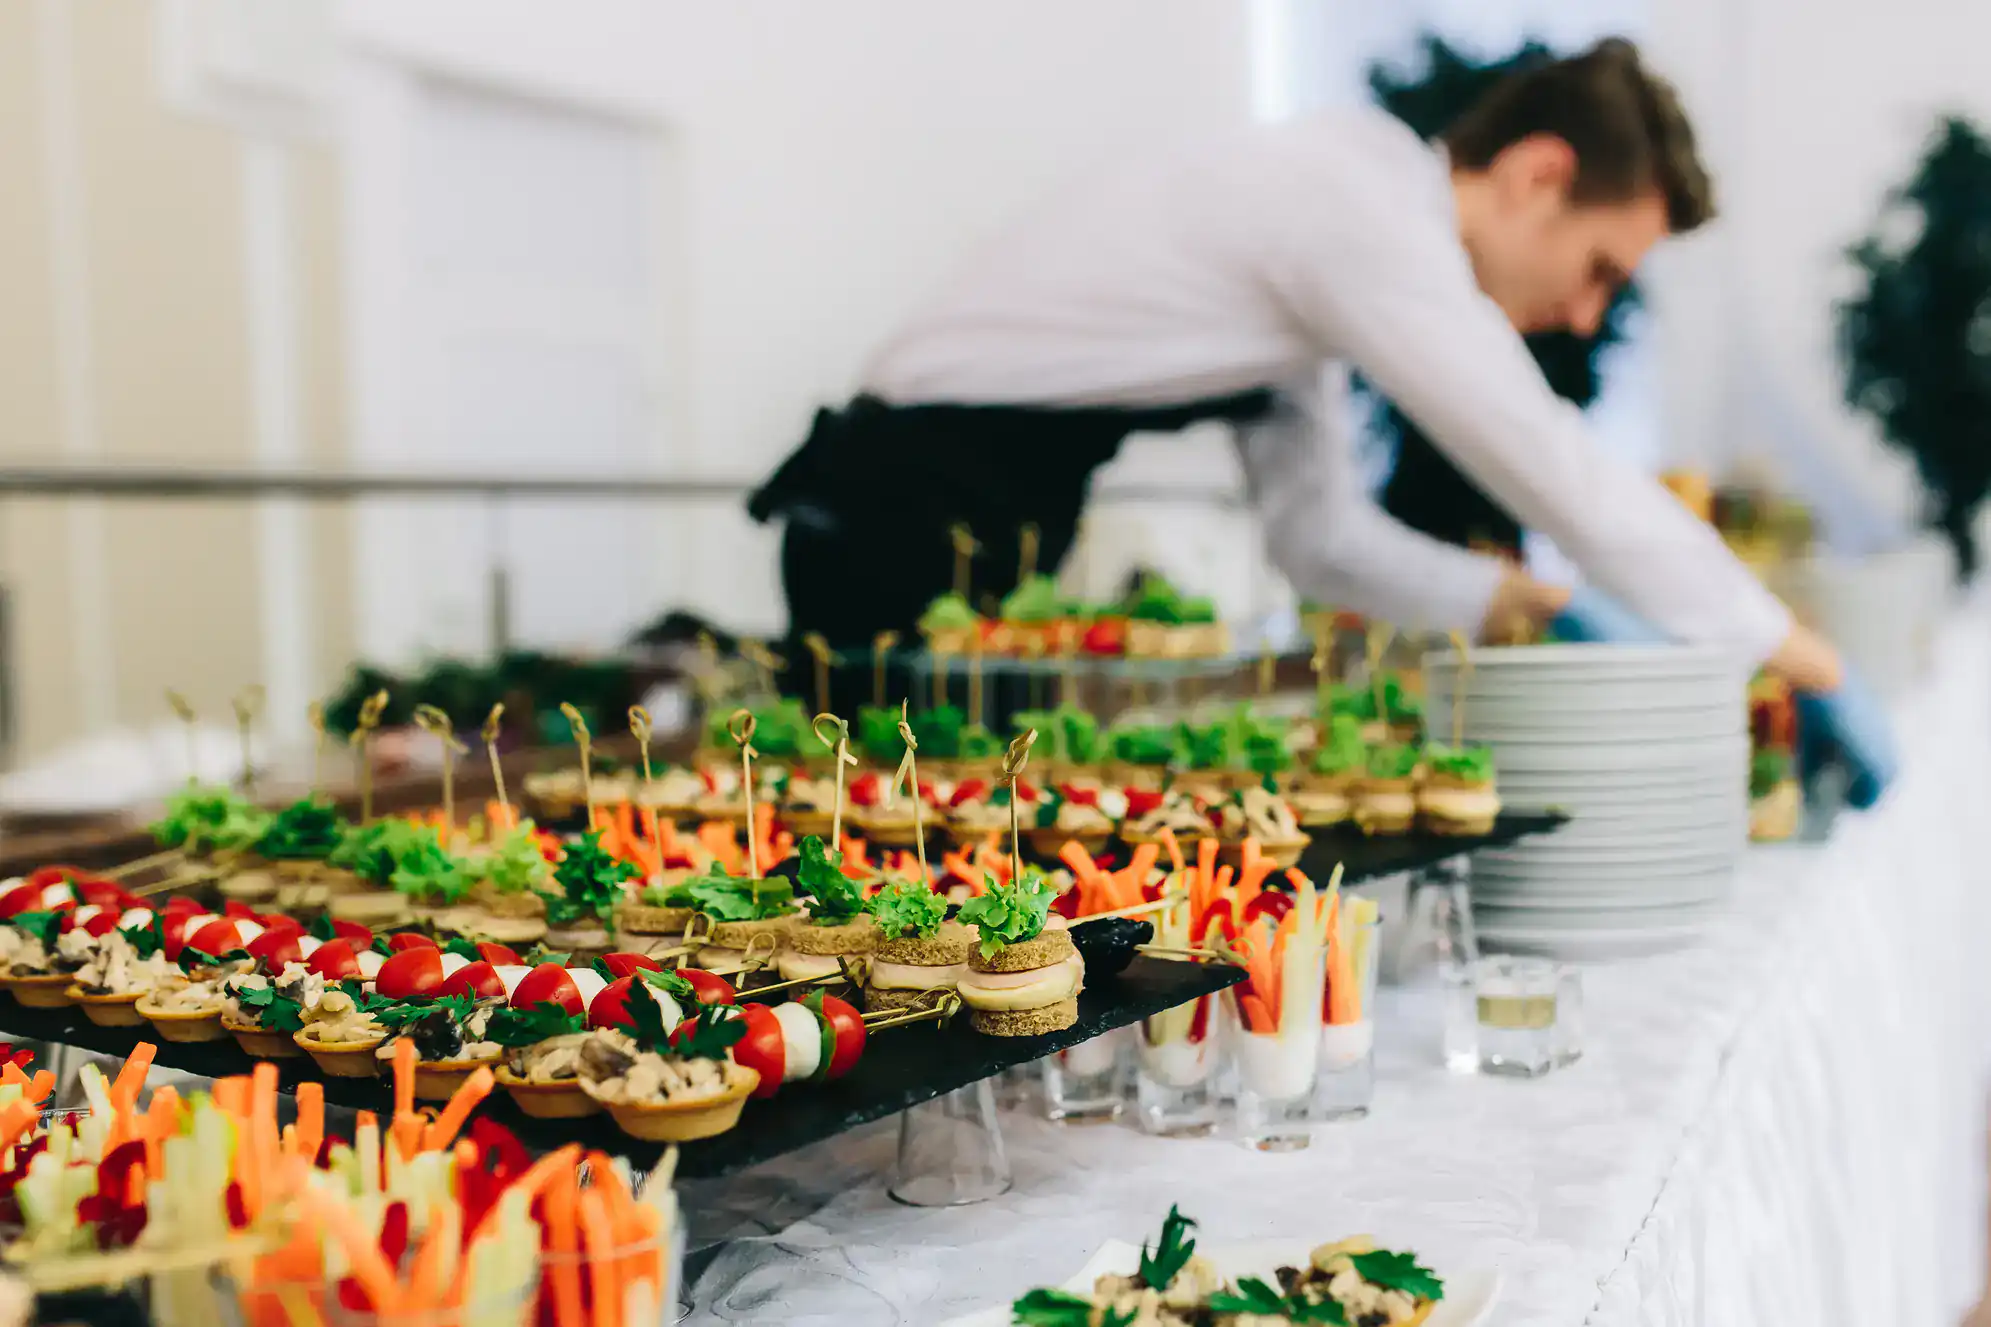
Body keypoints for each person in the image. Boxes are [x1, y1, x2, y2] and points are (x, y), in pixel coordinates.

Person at [747, 38, 1894, 803]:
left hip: (982, 513)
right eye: (1597, 266)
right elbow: (1550, 465)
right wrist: (1801, 657)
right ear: (1537, 173)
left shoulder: (1329, 251)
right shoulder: (1355, 211)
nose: (1586, 312)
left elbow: (1316, 537)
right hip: (891, 513)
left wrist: (1514, 601)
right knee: (886, 855)